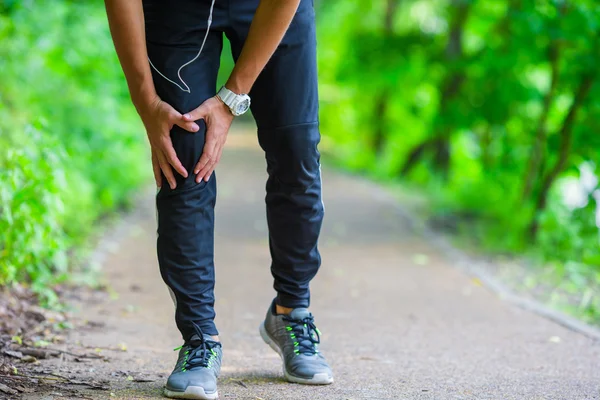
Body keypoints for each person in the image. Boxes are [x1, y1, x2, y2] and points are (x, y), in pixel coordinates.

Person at [104, 0, 332, 398]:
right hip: (180, 11)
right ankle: (199, 339)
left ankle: (291, 312)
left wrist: (231, 98)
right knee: (183, 153)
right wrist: (146, 102)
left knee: (295, 148)